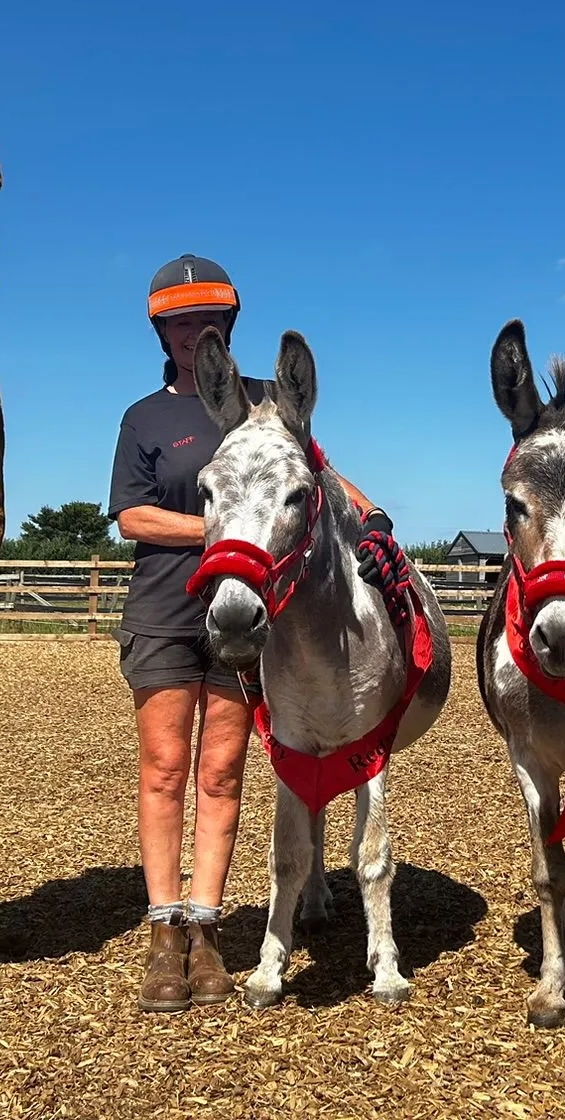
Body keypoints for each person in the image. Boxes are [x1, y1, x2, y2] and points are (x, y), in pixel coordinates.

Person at [108, 255, 393, 1014]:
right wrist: (228, 530)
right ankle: (164, 928)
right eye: (177, 323)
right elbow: (132, 517)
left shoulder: (269, 402)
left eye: (206, 321)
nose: (192, 333)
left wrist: (375, 517)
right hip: (170, 609)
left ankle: (207, 928)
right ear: (161, 333)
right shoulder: (146, 418)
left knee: (225, 771)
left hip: (258, 612)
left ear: (227, 329)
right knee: (166, 767)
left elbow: (321, 475)